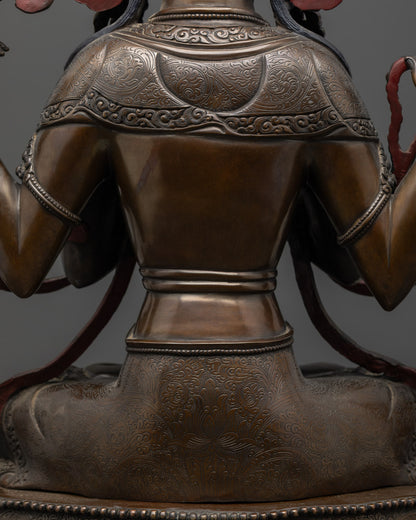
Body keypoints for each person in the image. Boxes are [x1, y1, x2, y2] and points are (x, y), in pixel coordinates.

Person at [1, 0, 416, 506]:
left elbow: (20, 263)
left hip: (133, 425)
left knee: (29, 413)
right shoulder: (312, 70)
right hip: (290, 423)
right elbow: (388, 273)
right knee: (394, 407)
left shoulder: (104, 66)